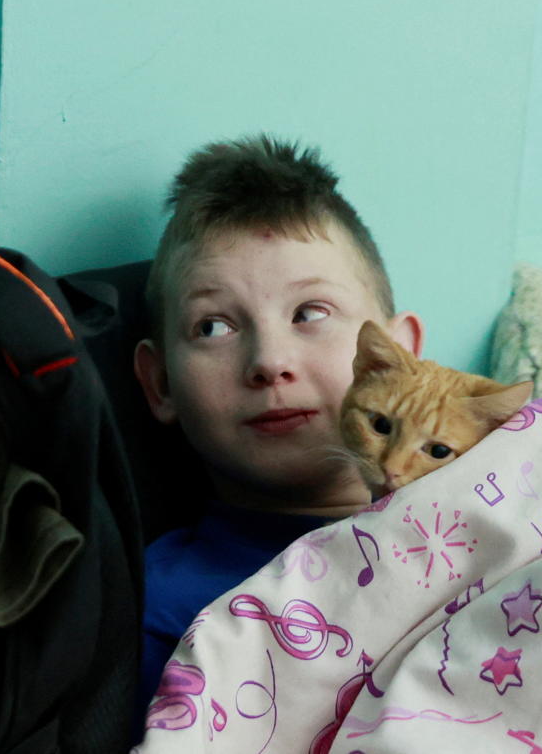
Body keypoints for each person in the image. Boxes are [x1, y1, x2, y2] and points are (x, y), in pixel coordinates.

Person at [131, 135, 423, 723]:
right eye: (213, 327)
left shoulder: (495, 513)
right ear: (159, 384)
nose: (270, 361)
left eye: (309, 313)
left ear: (398, 356)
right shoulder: (164, 611)